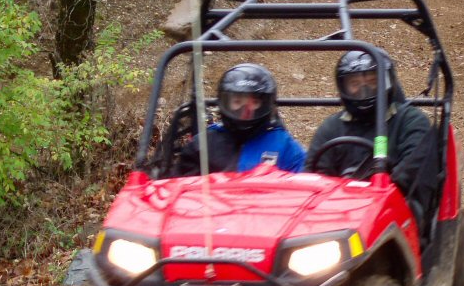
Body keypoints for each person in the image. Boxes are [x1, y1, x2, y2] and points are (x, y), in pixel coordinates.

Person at [306, 51, 437, 232]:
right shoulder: (331, 127)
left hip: (396, 208)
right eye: (355, 84)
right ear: (343, 87)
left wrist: (375, 195)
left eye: (373, 82)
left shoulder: (411, 120)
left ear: (387, 82)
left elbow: (414, 169)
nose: (364, 90)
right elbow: (315, 175)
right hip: (339, 213)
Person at [176, 63, 306, 174]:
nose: (245, 111)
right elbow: (178, 189)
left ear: (266, 104)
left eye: (254, 103)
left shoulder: (285, 146)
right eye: (237, 102)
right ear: (225, 102)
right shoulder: (202, 145)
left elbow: (305, 188)